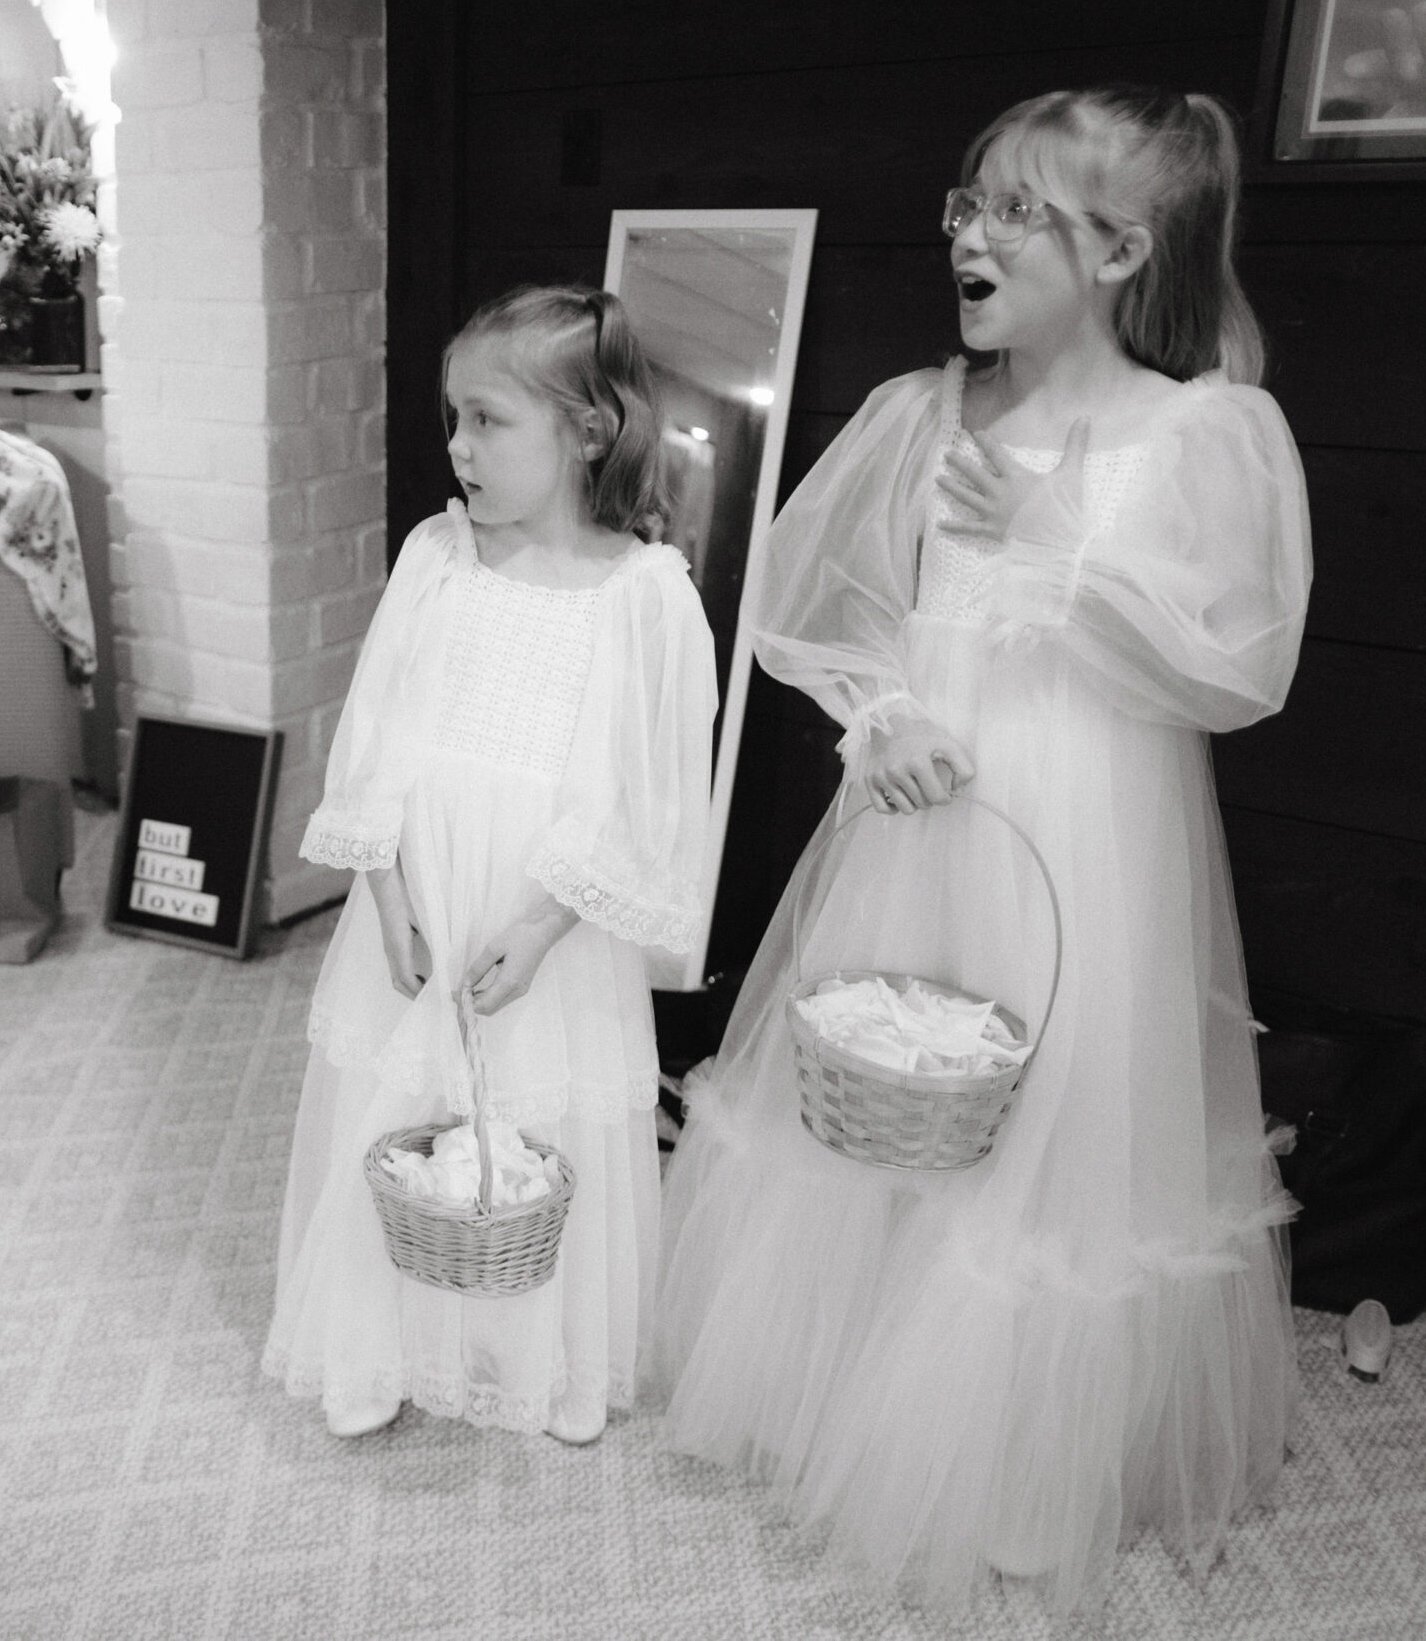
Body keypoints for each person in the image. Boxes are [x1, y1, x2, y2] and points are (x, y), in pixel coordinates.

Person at [648, 86, 1311, 1614]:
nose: (970, 232)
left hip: (1089, 835)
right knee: (898, 1087)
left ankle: (1021, 1453)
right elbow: (829, 608)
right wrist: (875, 717)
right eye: (968, 201)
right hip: (924, 824)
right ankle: (854, 1390)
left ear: (1124, 249)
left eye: (1018, 208)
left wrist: (1058, 546)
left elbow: (1234, 667)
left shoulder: (1203, 432)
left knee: (1061, 1117)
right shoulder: (924, 413)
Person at [261, 285, 718, 1444]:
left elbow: (642, 789)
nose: (456, 446)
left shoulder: (645, 593)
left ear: (587, 429)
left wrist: (549, 921)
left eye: (486, 420)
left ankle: (547, 1363)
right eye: (450, 417)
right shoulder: (439, 556)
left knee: (538, 1122)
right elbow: (377, 734)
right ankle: (374, 1338)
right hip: (422, 885)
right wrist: (383, 888)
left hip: (539, 908)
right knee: (399, 1109)